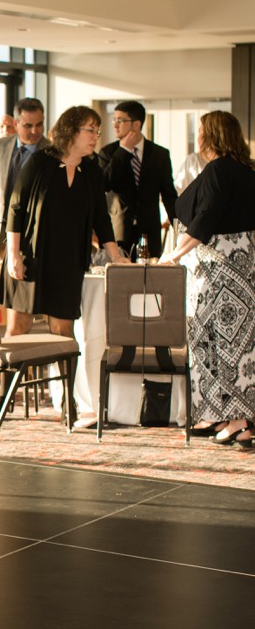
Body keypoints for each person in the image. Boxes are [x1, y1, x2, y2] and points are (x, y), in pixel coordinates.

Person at [0, 105, 128, 421]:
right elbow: (16, 209)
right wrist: (12, 255)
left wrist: (115, 254)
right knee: (18, 327)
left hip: (68, 262)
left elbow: (101, 217)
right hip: (29, 257)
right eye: (90, 130)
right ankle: (4, 397)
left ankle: (68, 404)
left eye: (97, 131)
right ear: (71, 131)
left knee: (64, 333)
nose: (96, 136)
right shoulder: (40, 161)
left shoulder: (92, 170)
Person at [159, 110, 255, 448]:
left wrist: (173, 255)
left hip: (220, 269)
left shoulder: (218, 170)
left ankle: (238, 419)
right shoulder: (247, 170)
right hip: (244, 265)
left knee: (218, 342)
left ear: (210, 135)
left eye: (200, 130)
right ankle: (235, 419)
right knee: (241, 345)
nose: (197, 136)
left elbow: (204, 223)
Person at [98, 101, 178, 259]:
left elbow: (169, 194)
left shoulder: (159, 154)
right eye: (114, 119)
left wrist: (179, 227)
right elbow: (104, 184)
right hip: (118, 232)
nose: (115, 125)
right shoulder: (108, 152)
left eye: (120, 120)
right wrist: (123, 151)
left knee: (148, 280)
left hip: (149, 231)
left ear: (136, 124)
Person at [0, 98, 51, 255]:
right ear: (16, 124)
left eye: (39, 125)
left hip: (33, 235)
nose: (35, 131)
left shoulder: (53, 153)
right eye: (28, 126)